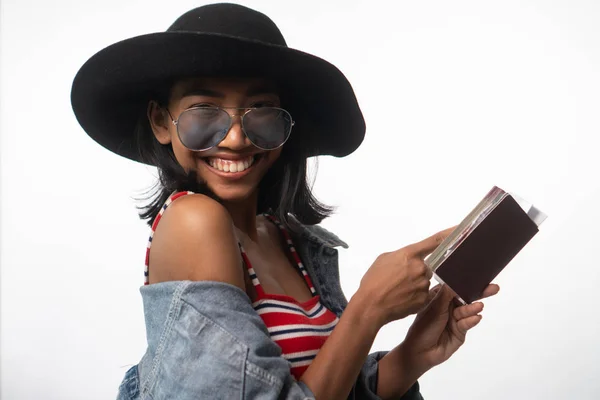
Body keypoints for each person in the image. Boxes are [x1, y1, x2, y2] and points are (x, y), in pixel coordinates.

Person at [71, 3, 499, 399]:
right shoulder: (193, 220)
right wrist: (368, 309)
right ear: (162, 122)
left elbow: (318, 384)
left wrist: (411, 357)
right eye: (204, 111)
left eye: (260, 110)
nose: (236, 138)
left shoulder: (290, 239)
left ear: (285, 124)